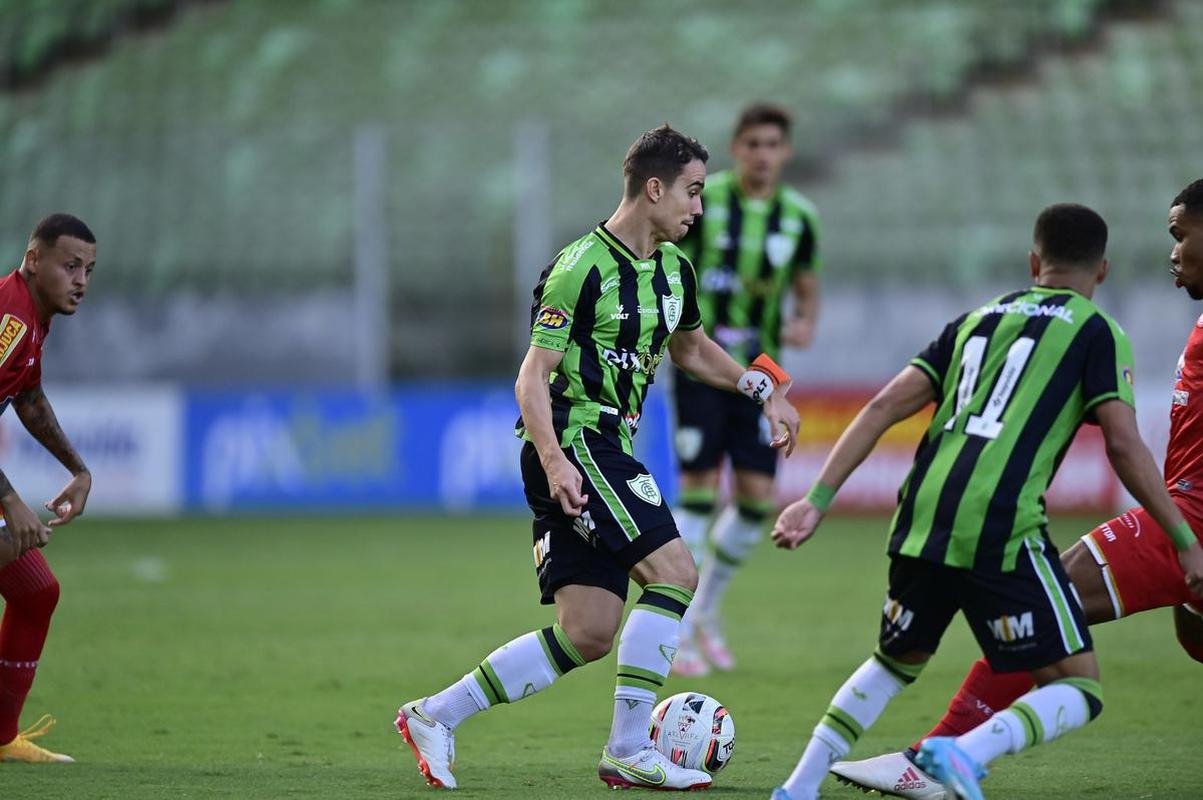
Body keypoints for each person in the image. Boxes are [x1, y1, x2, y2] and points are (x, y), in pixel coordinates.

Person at [394, 125, 801, 791]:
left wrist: (765, 391)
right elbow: (531, 378)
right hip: (578, 442)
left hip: (602, 449)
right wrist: (555, 462)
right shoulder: (580, 266)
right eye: (691, 192)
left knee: (587, 631)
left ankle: (435, 715)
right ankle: (627, 748)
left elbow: (692, 351)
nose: (698, 207)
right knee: (675, 574)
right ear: (653, 188)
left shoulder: (675, 271)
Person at [767, 203, 1203, 800]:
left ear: (1032, 261)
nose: (1173, 251)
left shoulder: (978, 317)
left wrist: (815, 499)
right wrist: (1183, 538)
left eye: (1181, 236)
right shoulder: (1097, 330)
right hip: (1004, 525)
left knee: (894, 662)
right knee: (1079, 683)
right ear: (1101, 271)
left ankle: (797, 788)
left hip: (920, 516)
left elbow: (883, 406)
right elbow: (1123, 445)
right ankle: (958, 752)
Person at [671, 103, 823, 676]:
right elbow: (670, 262)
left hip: (765, 376)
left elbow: (807, 288)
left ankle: (705, 608)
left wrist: (806, 320)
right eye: (753, 144)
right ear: (737, 147)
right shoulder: (704, 201)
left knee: (757, 501)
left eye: (773, 145)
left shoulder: (798, 217)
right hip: (702, 364)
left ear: (785, 152)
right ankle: (681, 627)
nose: (763, 154)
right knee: (699, 494)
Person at [0, 213, 96, 764]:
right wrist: (10, 500)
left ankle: (1, 735)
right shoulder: (9, 318)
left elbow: (28, 396)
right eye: (69, 265)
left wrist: (78, 469)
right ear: (34, 260)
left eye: (88, 268)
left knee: (35, 591)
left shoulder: (32, 318)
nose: (81, 279)